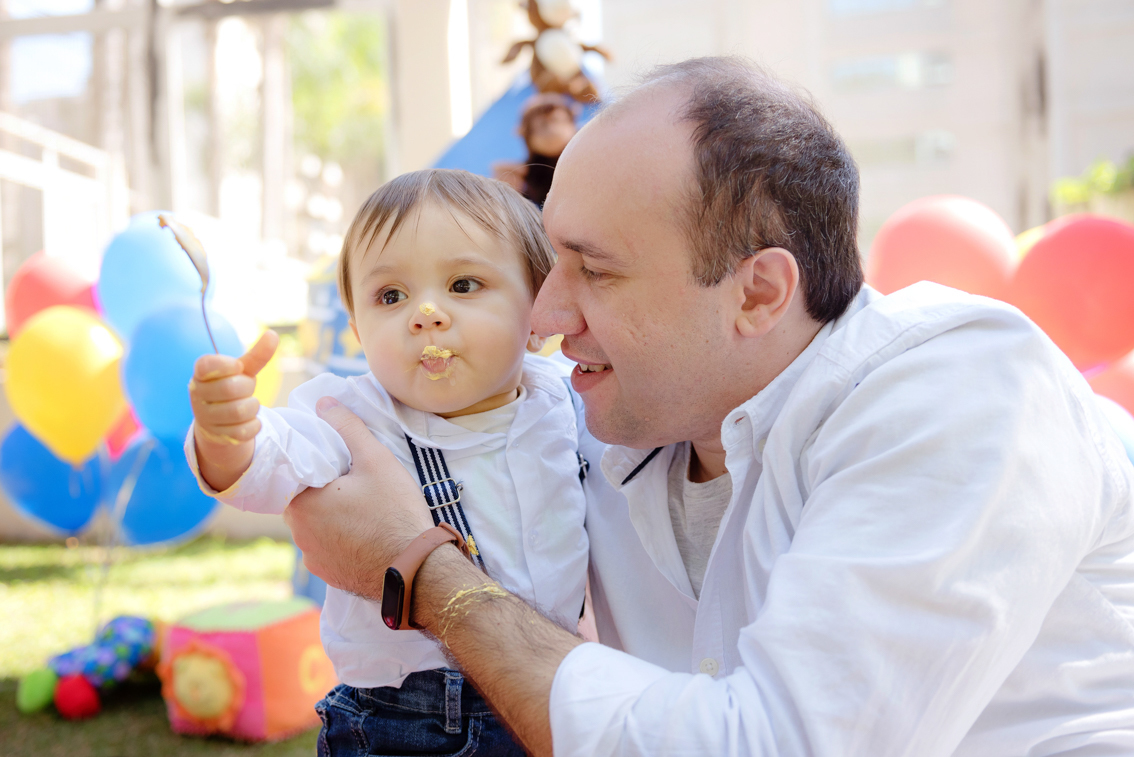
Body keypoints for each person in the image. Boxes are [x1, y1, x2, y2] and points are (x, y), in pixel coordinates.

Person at [283, 57, 1134, 756]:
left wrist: (423, 571)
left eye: (595, 270)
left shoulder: (961, 390)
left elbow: (778, 743)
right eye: (549, 264)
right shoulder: (611, 418)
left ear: (757, 292)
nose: (545, 314)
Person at [186, 169, 590, 756]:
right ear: (358, 330)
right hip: (403, 720)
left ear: (539, 311)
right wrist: (227, 434)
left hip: (550, 693)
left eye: (464, 284)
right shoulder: (352, 417)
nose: (425, 313)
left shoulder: (569, 402)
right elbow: (271, 460)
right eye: (391, 297)